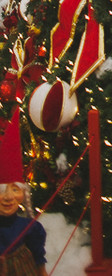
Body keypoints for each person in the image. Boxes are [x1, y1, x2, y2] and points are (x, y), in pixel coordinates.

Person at [0, 111, 48, 276]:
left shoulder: (28, 227)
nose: (8, 197)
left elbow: (37, 253)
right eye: (1, 190)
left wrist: (41, 271)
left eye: (15, 189)